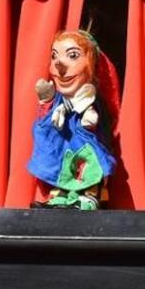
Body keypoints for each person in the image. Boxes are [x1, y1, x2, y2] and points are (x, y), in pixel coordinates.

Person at [27, 29, 120, 211]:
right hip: (65, 148)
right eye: (54, 56)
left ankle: (90, 195)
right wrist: (46, 103)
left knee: (89, 166)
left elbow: (101, 126)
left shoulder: (89, 98)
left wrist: (90, 120)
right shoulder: (59, 101)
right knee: (62, 164)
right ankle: (61, 196)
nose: (59, 64)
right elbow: (44, 127)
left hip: (85, 150)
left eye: (73, 56)